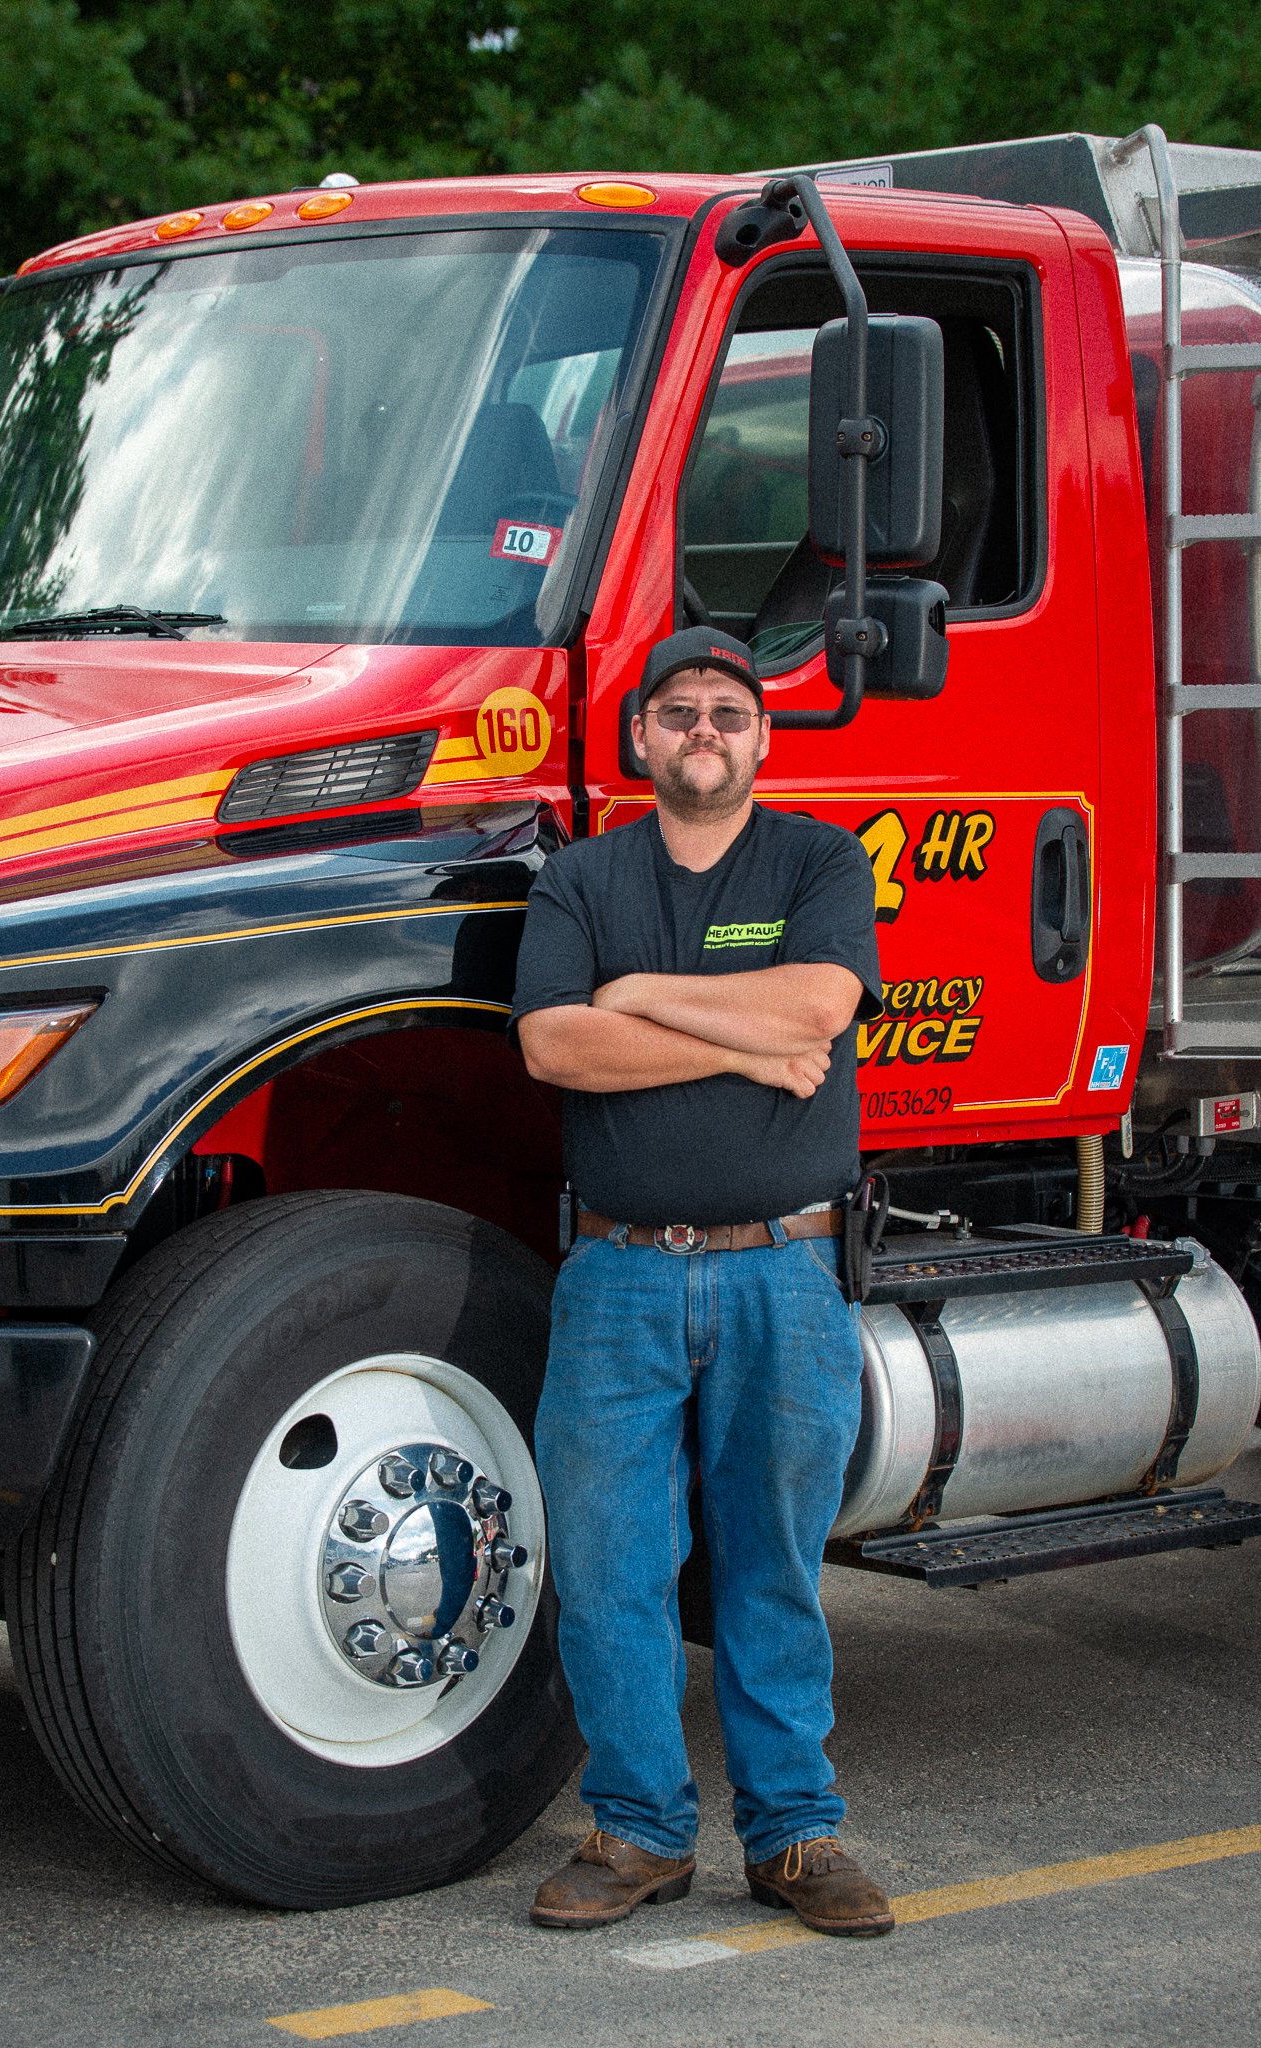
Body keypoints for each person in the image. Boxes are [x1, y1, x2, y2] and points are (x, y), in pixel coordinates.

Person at [511, 625, 894, 1938]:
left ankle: (793, 1836)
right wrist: (743, 1033)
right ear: (639, 740)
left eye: (728, 713)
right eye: (677, 713)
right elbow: (557, 1047)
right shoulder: (580, 876)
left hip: (781, 1274)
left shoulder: (815, 860)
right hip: (616, 1277)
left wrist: (644, 994)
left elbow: (817, 1018)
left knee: (769, 1568)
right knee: (610, 1571)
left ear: (761, 739)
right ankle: (636, 1835)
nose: (703, 733)